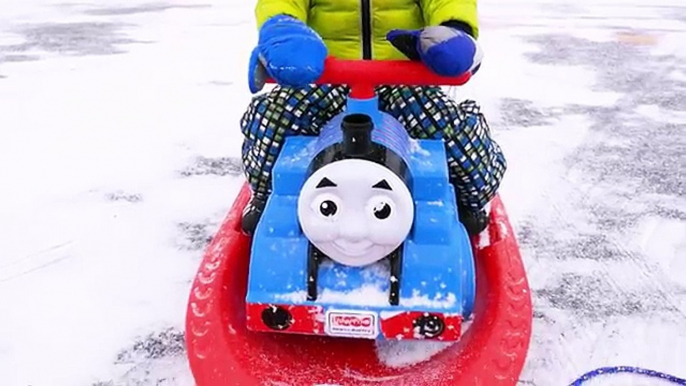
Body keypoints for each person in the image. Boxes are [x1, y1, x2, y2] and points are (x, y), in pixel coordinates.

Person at [240, 0, 506, 236]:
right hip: (326, 74)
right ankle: (267, 195)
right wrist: (283, 26)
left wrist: (454, 28)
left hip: (403, 76)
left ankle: (469, 199)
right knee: (273, 117)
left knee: (449, 129)